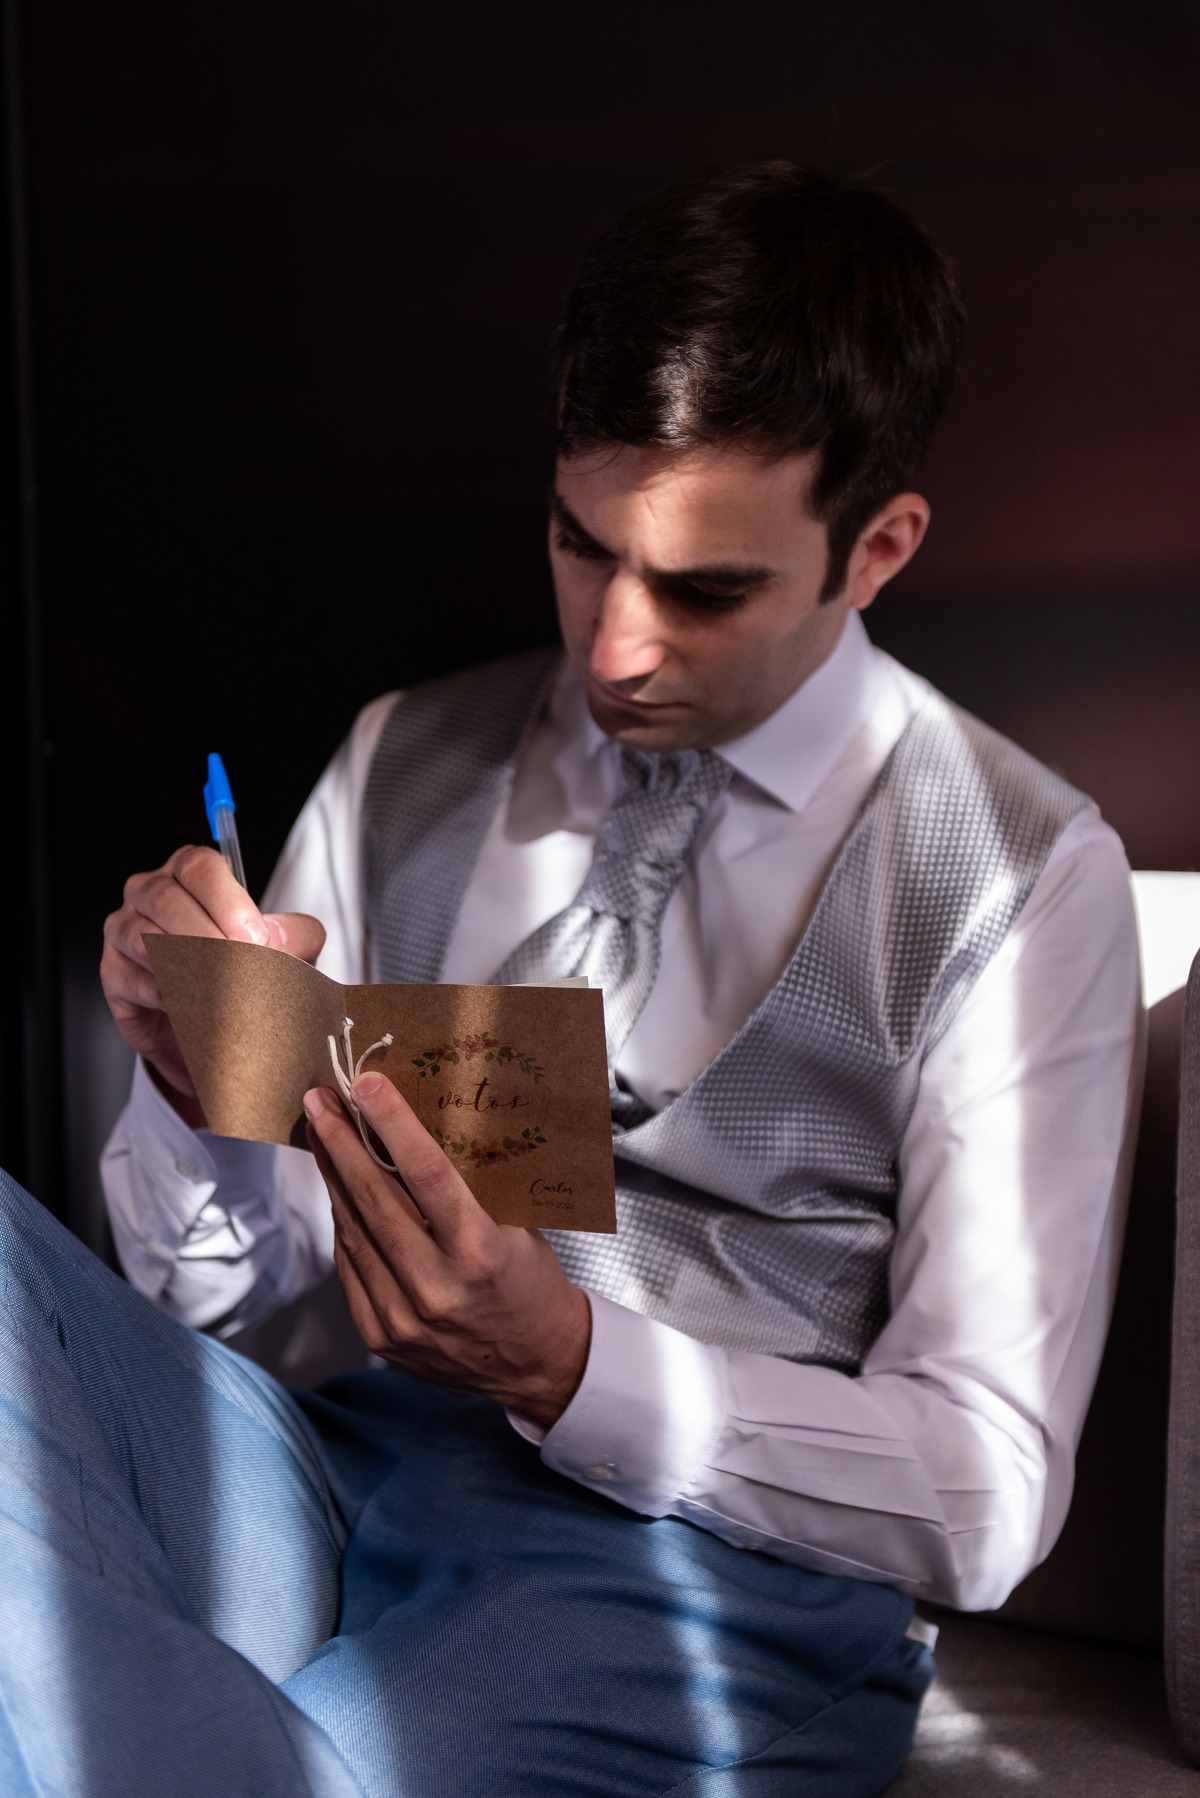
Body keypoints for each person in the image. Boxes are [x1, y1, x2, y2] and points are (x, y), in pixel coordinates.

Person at [2, 164, 1138, 1797]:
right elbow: (231, 1313)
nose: (614, 644)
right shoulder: (403, 758)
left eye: (704, 587)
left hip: (705, 1579)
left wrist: (568, 1366)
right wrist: (202, 1100)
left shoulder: (1023, 875)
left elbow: (985, 1487)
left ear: (877, 548)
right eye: (580, 544)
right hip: (330, 1472)